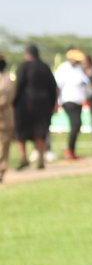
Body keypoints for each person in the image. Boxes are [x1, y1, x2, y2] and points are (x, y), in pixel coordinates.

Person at [13, 45, 57, 171]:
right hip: (43, 104)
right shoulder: (45, 67)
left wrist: (13, 103)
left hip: (24, 105)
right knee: (40, 132)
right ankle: (41, 160)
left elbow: (18, 86)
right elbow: (53, 87)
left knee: (20, 133)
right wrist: (53, 104)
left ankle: (23, 159)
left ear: (27, 54)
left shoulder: (23, 67)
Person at [53, 48, 90, 160]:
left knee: (77, 125)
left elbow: (85, 82)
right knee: (76, 124)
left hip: (78, 101)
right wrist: (56, 102)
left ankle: (71, 150)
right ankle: (69, 150)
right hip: (68, 101)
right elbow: (58, 86)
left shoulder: (79, 69)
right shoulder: (63, 68)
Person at [0, 53, 13, 183]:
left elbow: (6, 99)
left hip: (4, 119)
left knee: (3, 146)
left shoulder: (8, 79)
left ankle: (1, 170)